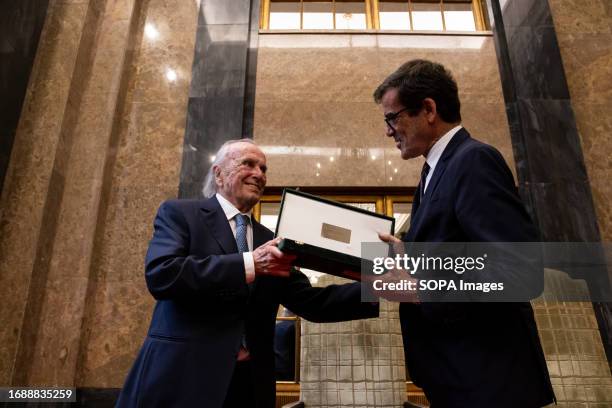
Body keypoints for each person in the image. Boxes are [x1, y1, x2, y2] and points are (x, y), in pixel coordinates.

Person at [115, 139, 378, 408]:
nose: (259, 174)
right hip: (184, 377)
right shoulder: (181, 214)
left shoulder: (271, 239)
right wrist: (250, 264)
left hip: (249, 386)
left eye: (264, 168)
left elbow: (311, 301)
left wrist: (378, 286)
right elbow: (163, 274)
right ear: (218, 173)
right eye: (248, 164)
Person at [373, 60, 555, 407]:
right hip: (458, 378)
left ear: (428, 109)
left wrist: (421, 289)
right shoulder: (433, 171)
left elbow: (519, 272)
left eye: (392, 117)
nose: (388, 131)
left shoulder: (473, 160)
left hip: (491, 384)